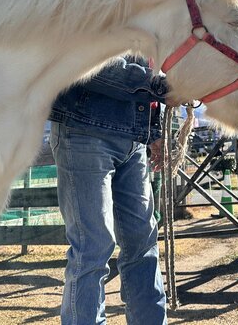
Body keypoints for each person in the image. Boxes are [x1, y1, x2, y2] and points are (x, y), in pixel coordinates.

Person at [49, 55, 168, 325]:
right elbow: (81, 54)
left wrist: (154, 130)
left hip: (133, 138)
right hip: (83, 127)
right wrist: (156, 86)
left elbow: (147, 63)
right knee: (93, 246)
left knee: (143, 243)